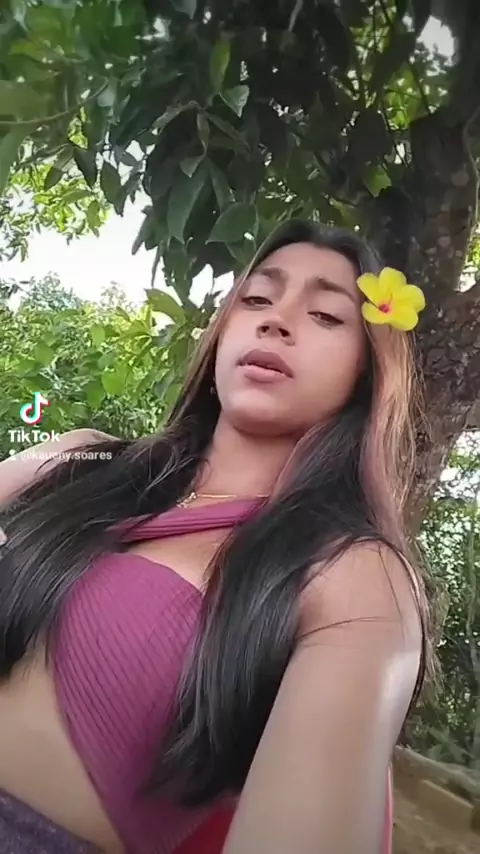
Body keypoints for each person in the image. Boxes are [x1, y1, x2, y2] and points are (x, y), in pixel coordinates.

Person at [0, 219, 431, 854]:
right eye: (256, 299)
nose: (276, 320)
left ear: (366, 375)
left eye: (325, 315)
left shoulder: (354, 573)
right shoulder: (82, 458)